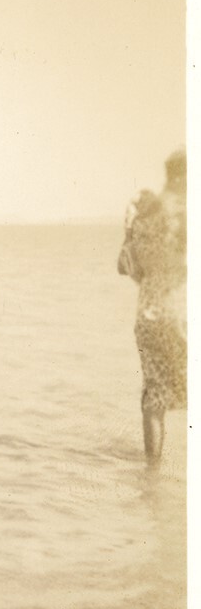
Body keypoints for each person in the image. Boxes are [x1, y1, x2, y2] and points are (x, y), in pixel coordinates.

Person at [118, 149, 187, 465]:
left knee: (155, 395)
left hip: (148, 314)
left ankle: (153, 478)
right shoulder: (185, 214)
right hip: (182, 309)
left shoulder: (142, 218)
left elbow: (129, 269)